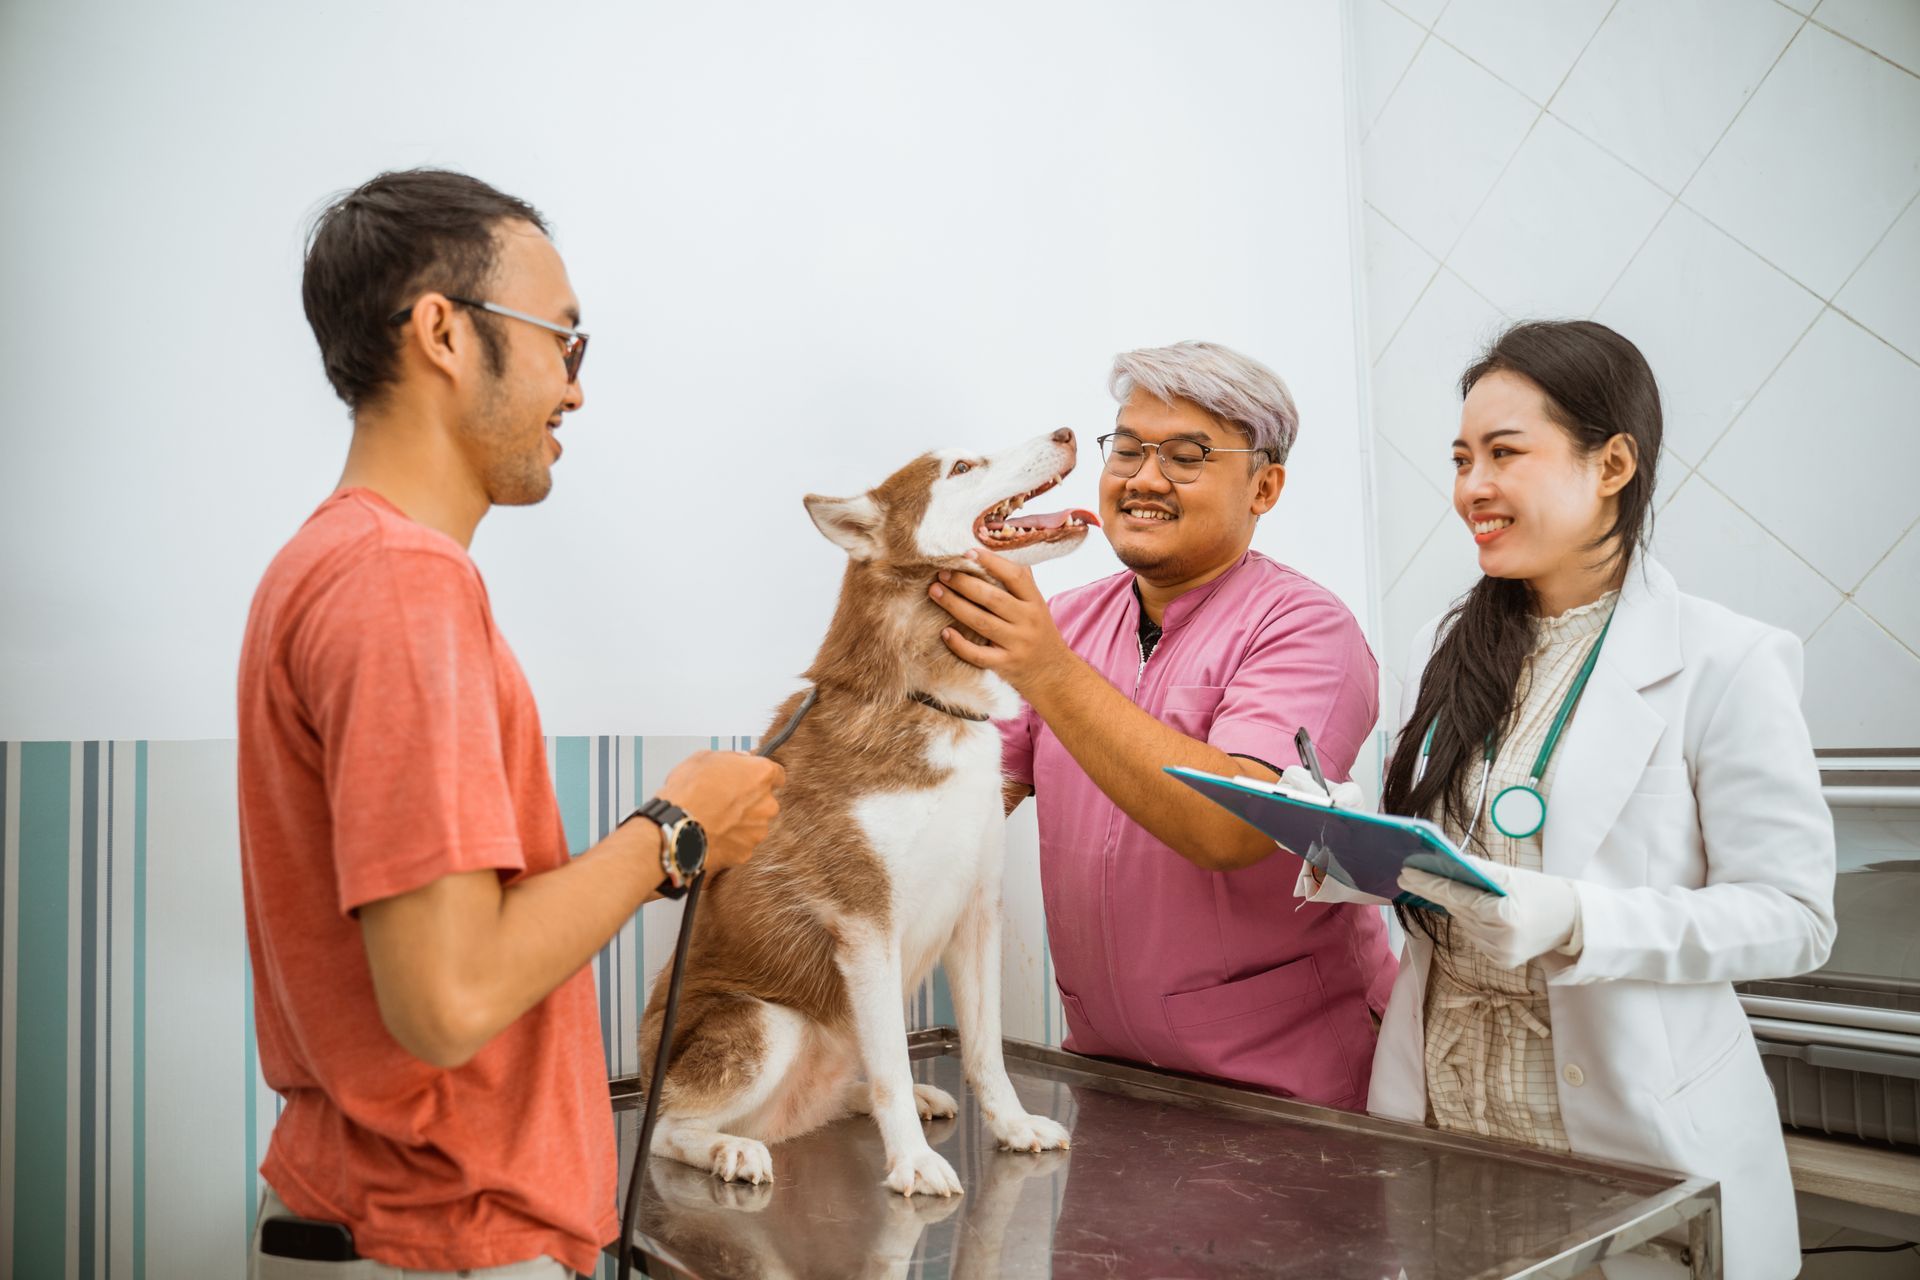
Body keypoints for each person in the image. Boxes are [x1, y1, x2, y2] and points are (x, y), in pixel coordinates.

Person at [237, 169, 784, 1276]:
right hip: (438, 1241)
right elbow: (449, 999)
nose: (575, 390)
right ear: (442, 331)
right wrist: (676, 831)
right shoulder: (399, 583)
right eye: (562, 343)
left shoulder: (329, 562)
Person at [1290, 320, 1835, 1279]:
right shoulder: (1441, 647)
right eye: (1462, 459)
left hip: (1630, 1152)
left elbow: (1793, 918)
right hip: (1448, 1135)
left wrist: (1582, 919)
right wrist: (1334, 834)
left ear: (1612, 462)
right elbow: (1419, 851)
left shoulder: (1726, 661)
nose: (1472, 488)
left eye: (1505, 453)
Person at [929, 340, 1396, 1108]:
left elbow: (1233, 828)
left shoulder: (1309, 629)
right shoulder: (1068, 623)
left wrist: (1047, 670)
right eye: (1130, 450)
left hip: (1287, 1091)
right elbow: (963, 797)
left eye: (1186, 457)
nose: (1144, 479)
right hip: (1109, 1077)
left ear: (1264, 486)